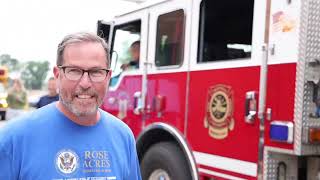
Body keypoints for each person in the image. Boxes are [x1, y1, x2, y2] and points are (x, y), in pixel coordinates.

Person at [0, 32, 142, 180]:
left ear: (108, 76)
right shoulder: (14, 140)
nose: (85, 83)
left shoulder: (123, 136)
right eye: (74, 71)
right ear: (57, 75)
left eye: (96, 72)